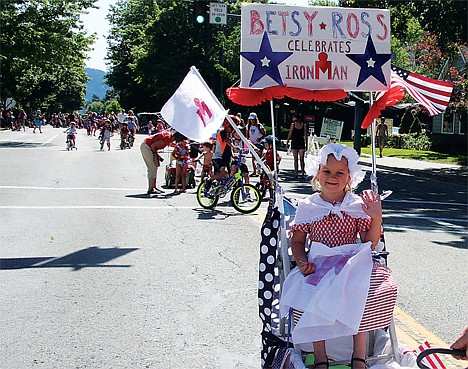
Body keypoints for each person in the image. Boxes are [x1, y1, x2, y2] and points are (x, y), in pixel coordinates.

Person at [279, 144, 397, 369]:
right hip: (319, 263)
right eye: (327, 171)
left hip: (351, 262)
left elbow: (369, 242)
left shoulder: (355, 205)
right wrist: (302, 261)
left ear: (349, 178)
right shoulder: (308, 206)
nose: (332, 177)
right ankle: (320, 355)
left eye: (339, 173)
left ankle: (359, 354)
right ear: (317, 173)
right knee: (310, 293)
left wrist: (376, 218)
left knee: (362, 290)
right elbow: (297, 240)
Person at [140, 130, 184, 195]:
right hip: (147, 147)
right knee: (152, 167)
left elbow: (170, 144)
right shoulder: (167, 138)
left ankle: (153, 187)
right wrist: (156, 157)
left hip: (148, 146)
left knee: (155, 167)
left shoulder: (169, 135)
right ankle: (151, 188)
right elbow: (153, 146)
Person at [204, 117, 235, 190]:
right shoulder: (222, 133)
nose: (233, 130)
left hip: (226, 157)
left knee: (230, 173)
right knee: (224, 172)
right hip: (219, 156)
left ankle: (220, 186)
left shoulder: (229, 134)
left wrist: (233, 154)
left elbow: (228, 147)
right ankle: (209, 180)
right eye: (232, 128)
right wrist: (234, 147)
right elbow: (227, 141)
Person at [286, 113, 308, 179]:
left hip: (301, 142)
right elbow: (290, 133)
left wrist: (306, 144)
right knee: (295, 158)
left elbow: (305, 135)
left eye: (294, 118)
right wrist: (287, 142)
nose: (293, 119)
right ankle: (296, 173)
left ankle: (303, 172)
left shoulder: (304, 125)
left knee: (302, 158)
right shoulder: (293, 125)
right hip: (294, 142)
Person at [246, 112, 266, 176]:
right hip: (252, 144)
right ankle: (255, 171)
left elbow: (264, 134)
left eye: (253, 119)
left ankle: (259, 170)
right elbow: (247, 136)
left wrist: (260, 138)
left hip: (259, 143)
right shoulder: (248, 126)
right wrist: (248, 142)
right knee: (253, 157)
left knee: (258, 157)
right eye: (251, 119)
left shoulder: (259, 126)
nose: (252, 121)